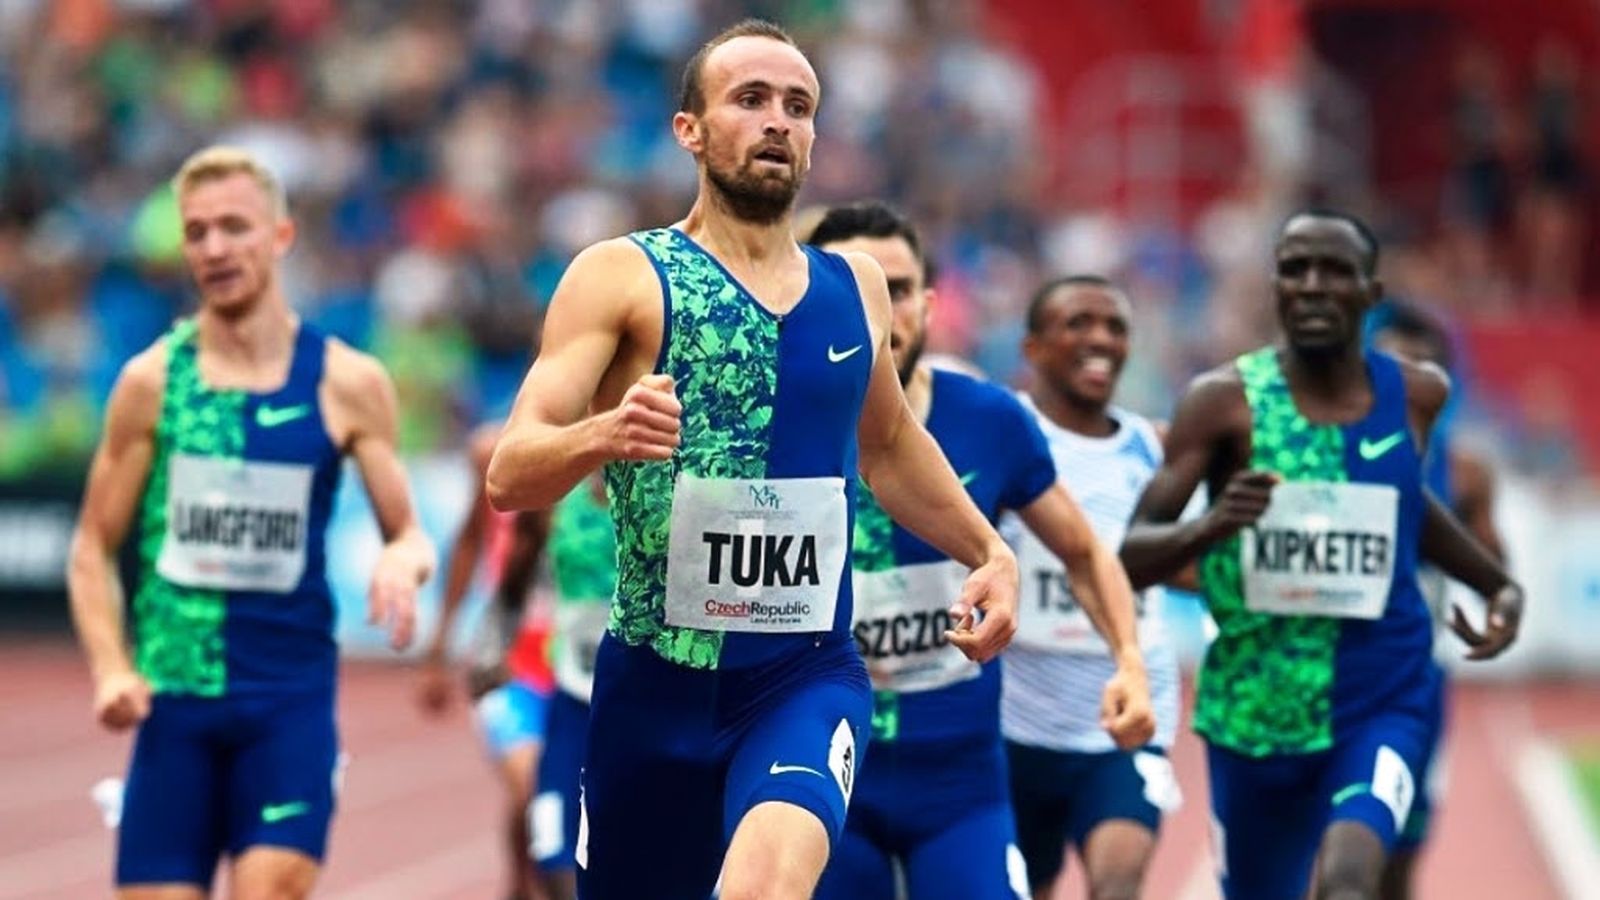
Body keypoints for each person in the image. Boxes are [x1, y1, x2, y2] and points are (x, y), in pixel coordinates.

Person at [485, 19, 1021, 900]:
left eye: (798, 107)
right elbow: (511, 473)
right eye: (751, 99)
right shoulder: (621, 276)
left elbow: (890, 446)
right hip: (650, 691)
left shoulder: (854, 289)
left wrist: (989, 552)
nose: (778, 120)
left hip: (802, 677)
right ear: (689, 130)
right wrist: (603, 434)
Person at [66, 145, 436, 899]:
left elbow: (408, 532)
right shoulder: (150, 383)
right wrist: (110, 667)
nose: (214, 248)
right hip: (175, 701)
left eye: (234, 227)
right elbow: (91, 548)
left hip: (287, 702)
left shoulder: (347, 382)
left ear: (280, 236)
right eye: (196, 232)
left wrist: (401, 558)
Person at [1120, 210, 1523, 900]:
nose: (1312, 285)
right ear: (1275, 286)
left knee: (1348, 881)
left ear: (1370, 292)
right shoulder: (1223, 403)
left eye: (1334, 271)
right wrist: (1212, 525)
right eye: (1295, 269)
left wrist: (1496, 586)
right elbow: (1131, 555)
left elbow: (1405, 504)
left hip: (1382, 696)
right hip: (1254, 712)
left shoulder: (1415, 394)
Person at [805, 206, 1153, 900]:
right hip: (821, 767)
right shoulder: (776, 420)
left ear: (930, 305)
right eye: (854, 289)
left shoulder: (990, 419)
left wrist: (1129, 662)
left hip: (958, 787)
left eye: (897, 290)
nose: (880, 312)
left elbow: (1084, 552)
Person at [1001, 275, 1184, 900]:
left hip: (1126, 720)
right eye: (1078, 323)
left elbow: (1185, 568)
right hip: (1016, 723)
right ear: (1032, 347)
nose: (1100, 339)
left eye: (1115, 327)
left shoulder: (1154, 447)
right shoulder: (1005, 433)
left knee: (1118, 885)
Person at [1368, 300, 1506, 898]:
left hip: (1416, 680)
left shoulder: (1464, 471)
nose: (1405, 383)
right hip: (1326, 667)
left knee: (1399, 858)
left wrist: (1497, 598)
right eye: (1391, 367)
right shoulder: (1322, 451)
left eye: (1420, 369)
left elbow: (1494, 571)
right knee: (1332, 852)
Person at [416, 421, 556, 900]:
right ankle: (521, 885)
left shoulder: (620, 446)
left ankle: (526, 883)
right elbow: (470, 540)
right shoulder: (492, 451)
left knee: (569, 798)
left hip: (584, 668)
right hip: (508, 663)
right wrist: (438, 647)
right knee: (529, 785)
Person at [524, 474, 616, 900]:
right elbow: (515, 573)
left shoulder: (672, 491)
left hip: (644, 704)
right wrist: (496, 644)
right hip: (573, 699)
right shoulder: (554, 500)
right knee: (550, 841)